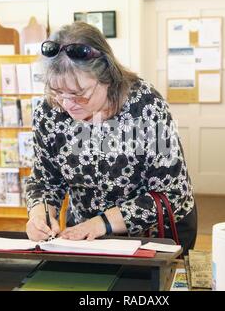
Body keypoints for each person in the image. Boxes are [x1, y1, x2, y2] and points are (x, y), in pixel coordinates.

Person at [26, 22, 197, 254]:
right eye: (57, 92)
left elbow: (173, 193)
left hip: (153, 235)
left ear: (107, 76)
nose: (67, 104)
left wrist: (102, 223)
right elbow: (45, 180)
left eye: (79, 94)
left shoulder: (146, 106)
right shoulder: (49, 111)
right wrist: (40, 215)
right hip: (84, 237)